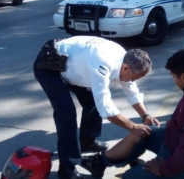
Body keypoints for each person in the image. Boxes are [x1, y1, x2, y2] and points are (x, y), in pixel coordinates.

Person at [81, 48, 184, 179]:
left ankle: (143, 172)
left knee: (129, 177)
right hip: (176, 140)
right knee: (143, 132)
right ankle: (99, 163)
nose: (173, 80)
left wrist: (163, 168)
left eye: (173, 76)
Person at [33, 36, 159, 179]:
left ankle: (87, 142)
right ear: (126, 68)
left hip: (74, 67)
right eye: (134, 77)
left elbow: (131, 90)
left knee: (92, 102)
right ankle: (67, 169)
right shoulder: (103, 63)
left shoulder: (126, 60)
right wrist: (132, 127)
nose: (132, 81)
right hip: (50, 67)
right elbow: (105, 106)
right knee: (66, 114)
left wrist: (145, 116)